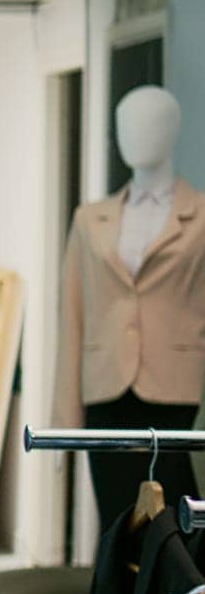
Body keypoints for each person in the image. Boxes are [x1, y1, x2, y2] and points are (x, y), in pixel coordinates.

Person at [53, 85, 203, 530]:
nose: (135, 135)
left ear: (173, 131)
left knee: (178, 524)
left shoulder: (198, 216)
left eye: (150, 123)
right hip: (106, 392)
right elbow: (72, 318)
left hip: (179, 393)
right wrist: (65, 420)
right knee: (118, 524)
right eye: (126, 124)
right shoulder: (90, 219)